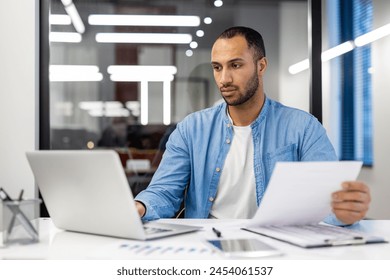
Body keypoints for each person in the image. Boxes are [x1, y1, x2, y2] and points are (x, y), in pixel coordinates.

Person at [135, 26, 371, 225]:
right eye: (217, 67)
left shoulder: (303, 127)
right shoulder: (191, 129)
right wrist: (140, 207)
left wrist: (344, 212)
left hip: (279, 246)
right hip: (209, 248)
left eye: (235, 65)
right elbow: (164, 193)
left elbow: (327, 201)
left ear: (261, 66)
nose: (224, 79)